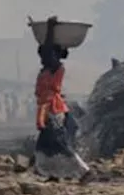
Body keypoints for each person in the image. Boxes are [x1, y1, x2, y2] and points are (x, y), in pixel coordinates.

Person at [34, 28, 91, 181]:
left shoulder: (57, 69)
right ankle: (53, 173)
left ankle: (84, 170)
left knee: (60, 144)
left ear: (54, 56)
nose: (42, 58)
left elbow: (48, 49)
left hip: (54, 110)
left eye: (45, 55)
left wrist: (51, 28)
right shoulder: (45, 71)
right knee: (45, 145)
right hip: (47, 110)